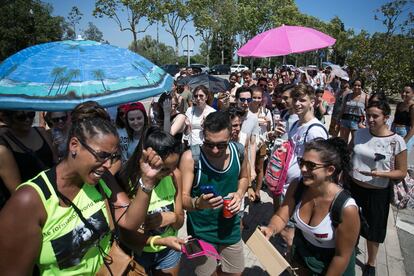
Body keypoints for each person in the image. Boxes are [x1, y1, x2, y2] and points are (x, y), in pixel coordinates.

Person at [0, 101, 170, 275]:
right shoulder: (29, 201)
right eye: (102, 156)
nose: (108, 165)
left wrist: (147, 181)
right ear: (74, 145)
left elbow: (130, 222)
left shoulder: (102, 180)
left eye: (113, 157)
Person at [261, 138, 360, 275]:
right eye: (302, 162)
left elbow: (341, 256)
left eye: (311, 165)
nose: (302, 169)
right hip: (302, 259)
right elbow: (281, 216)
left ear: (330, 170)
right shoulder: (297, 186)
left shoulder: (346, 209)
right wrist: (271, 229)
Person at [180, 111, 249, 276]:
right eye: (209, 144)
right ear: (203, 134)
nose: (216, 150)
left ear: (231, 135)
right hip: (201, 232)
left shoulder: (239, 151)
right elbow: (182, 199)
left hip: (230, 228)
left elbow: (245, 177)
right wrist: (198, 203)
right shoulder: (191, 158)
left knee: (235, 272)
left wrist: (239, 194)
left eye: (222, 144)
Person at [349, 100, 407, 276]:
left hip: (377, 192)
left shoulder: (396, 141)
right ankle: (349, 253)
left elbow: (402, 172)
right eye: (368, 116)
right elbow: (350, 153)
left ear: (386, 118)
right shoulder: (359, 133)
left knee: (374, 229)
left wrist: (380, 175)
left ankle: (371, 263)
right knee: (351, 225)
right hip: (353, 188)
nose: (371, 119)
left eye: (375, 116)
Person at [118, 127, 185, 275]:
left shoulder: (175, 176)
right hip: (138, 253)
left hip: (169, 251)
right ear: (149, 160)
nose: (171, 172)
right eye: (165, 168)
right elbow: (127, 234)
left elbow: (180, 221)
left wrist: (172, 217)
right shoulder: (129, 182)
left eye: (174, 166)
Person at [236, 86, 260, 182]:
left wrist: (252, 168)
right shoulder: (229, 115)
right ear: (236, 99)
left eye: (248, 100)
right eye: (242, 99)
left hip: (245, 161)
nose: (245, 103)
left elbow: (252, 144)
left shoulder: (253, 118)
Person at [339, 79, 369, 144]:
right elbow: (343, 108)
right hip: (345, 120)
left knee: (354, 142)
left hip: (357, 122)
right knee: (343, 141)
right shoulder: (348, 95)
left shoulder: (366, 97)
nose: (356, 87)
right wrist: (338, 120)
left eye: (359, 85)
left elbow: (368, 111)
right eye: (355, 85)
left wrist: (366, 123)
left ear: (362, 86)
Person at [392, 84, 414, 151]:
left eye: (407, 92)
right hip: (394, 131)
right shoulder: (399, 104)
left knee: (402, 157)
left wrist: (405, 140)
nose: (404, 94)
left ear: (413, 94)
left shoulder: (412, 107)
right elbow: (394, 120)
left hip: (405, 133)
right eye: (403, 92)